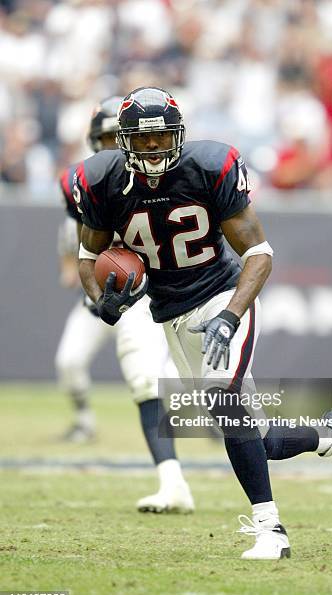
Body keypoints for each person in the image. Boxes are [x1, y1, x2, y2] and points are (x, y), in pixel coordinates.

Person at [73, 87, 332, 560]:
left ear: (179, 136)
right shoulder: (102, 180)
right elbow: (89, 256)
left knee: (223, 401)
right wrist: (102, 303)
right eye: (143, 139)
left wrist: (228, 315)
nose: (154, 149)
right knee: (262, 439)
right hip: (169, 313)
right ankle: (330, 434)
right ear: (123, 142)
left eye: (162, 138)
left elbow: (259, 254)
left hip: (221, 294)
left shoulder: (208, 167)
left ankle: (270, 530)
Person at [56, 96, 194, 514]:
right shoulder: (80, 180)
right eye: (107, 137)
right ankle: (84, 423)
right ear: (93, 141)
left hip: (143, 289)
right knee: (69, 361)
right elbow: (79, 240)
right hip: (102, 287)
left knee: (146, 378)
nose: (116, 144)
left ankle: (173, 482)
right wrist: (91, 283)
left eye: (122, 136)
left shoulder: (161, 176)